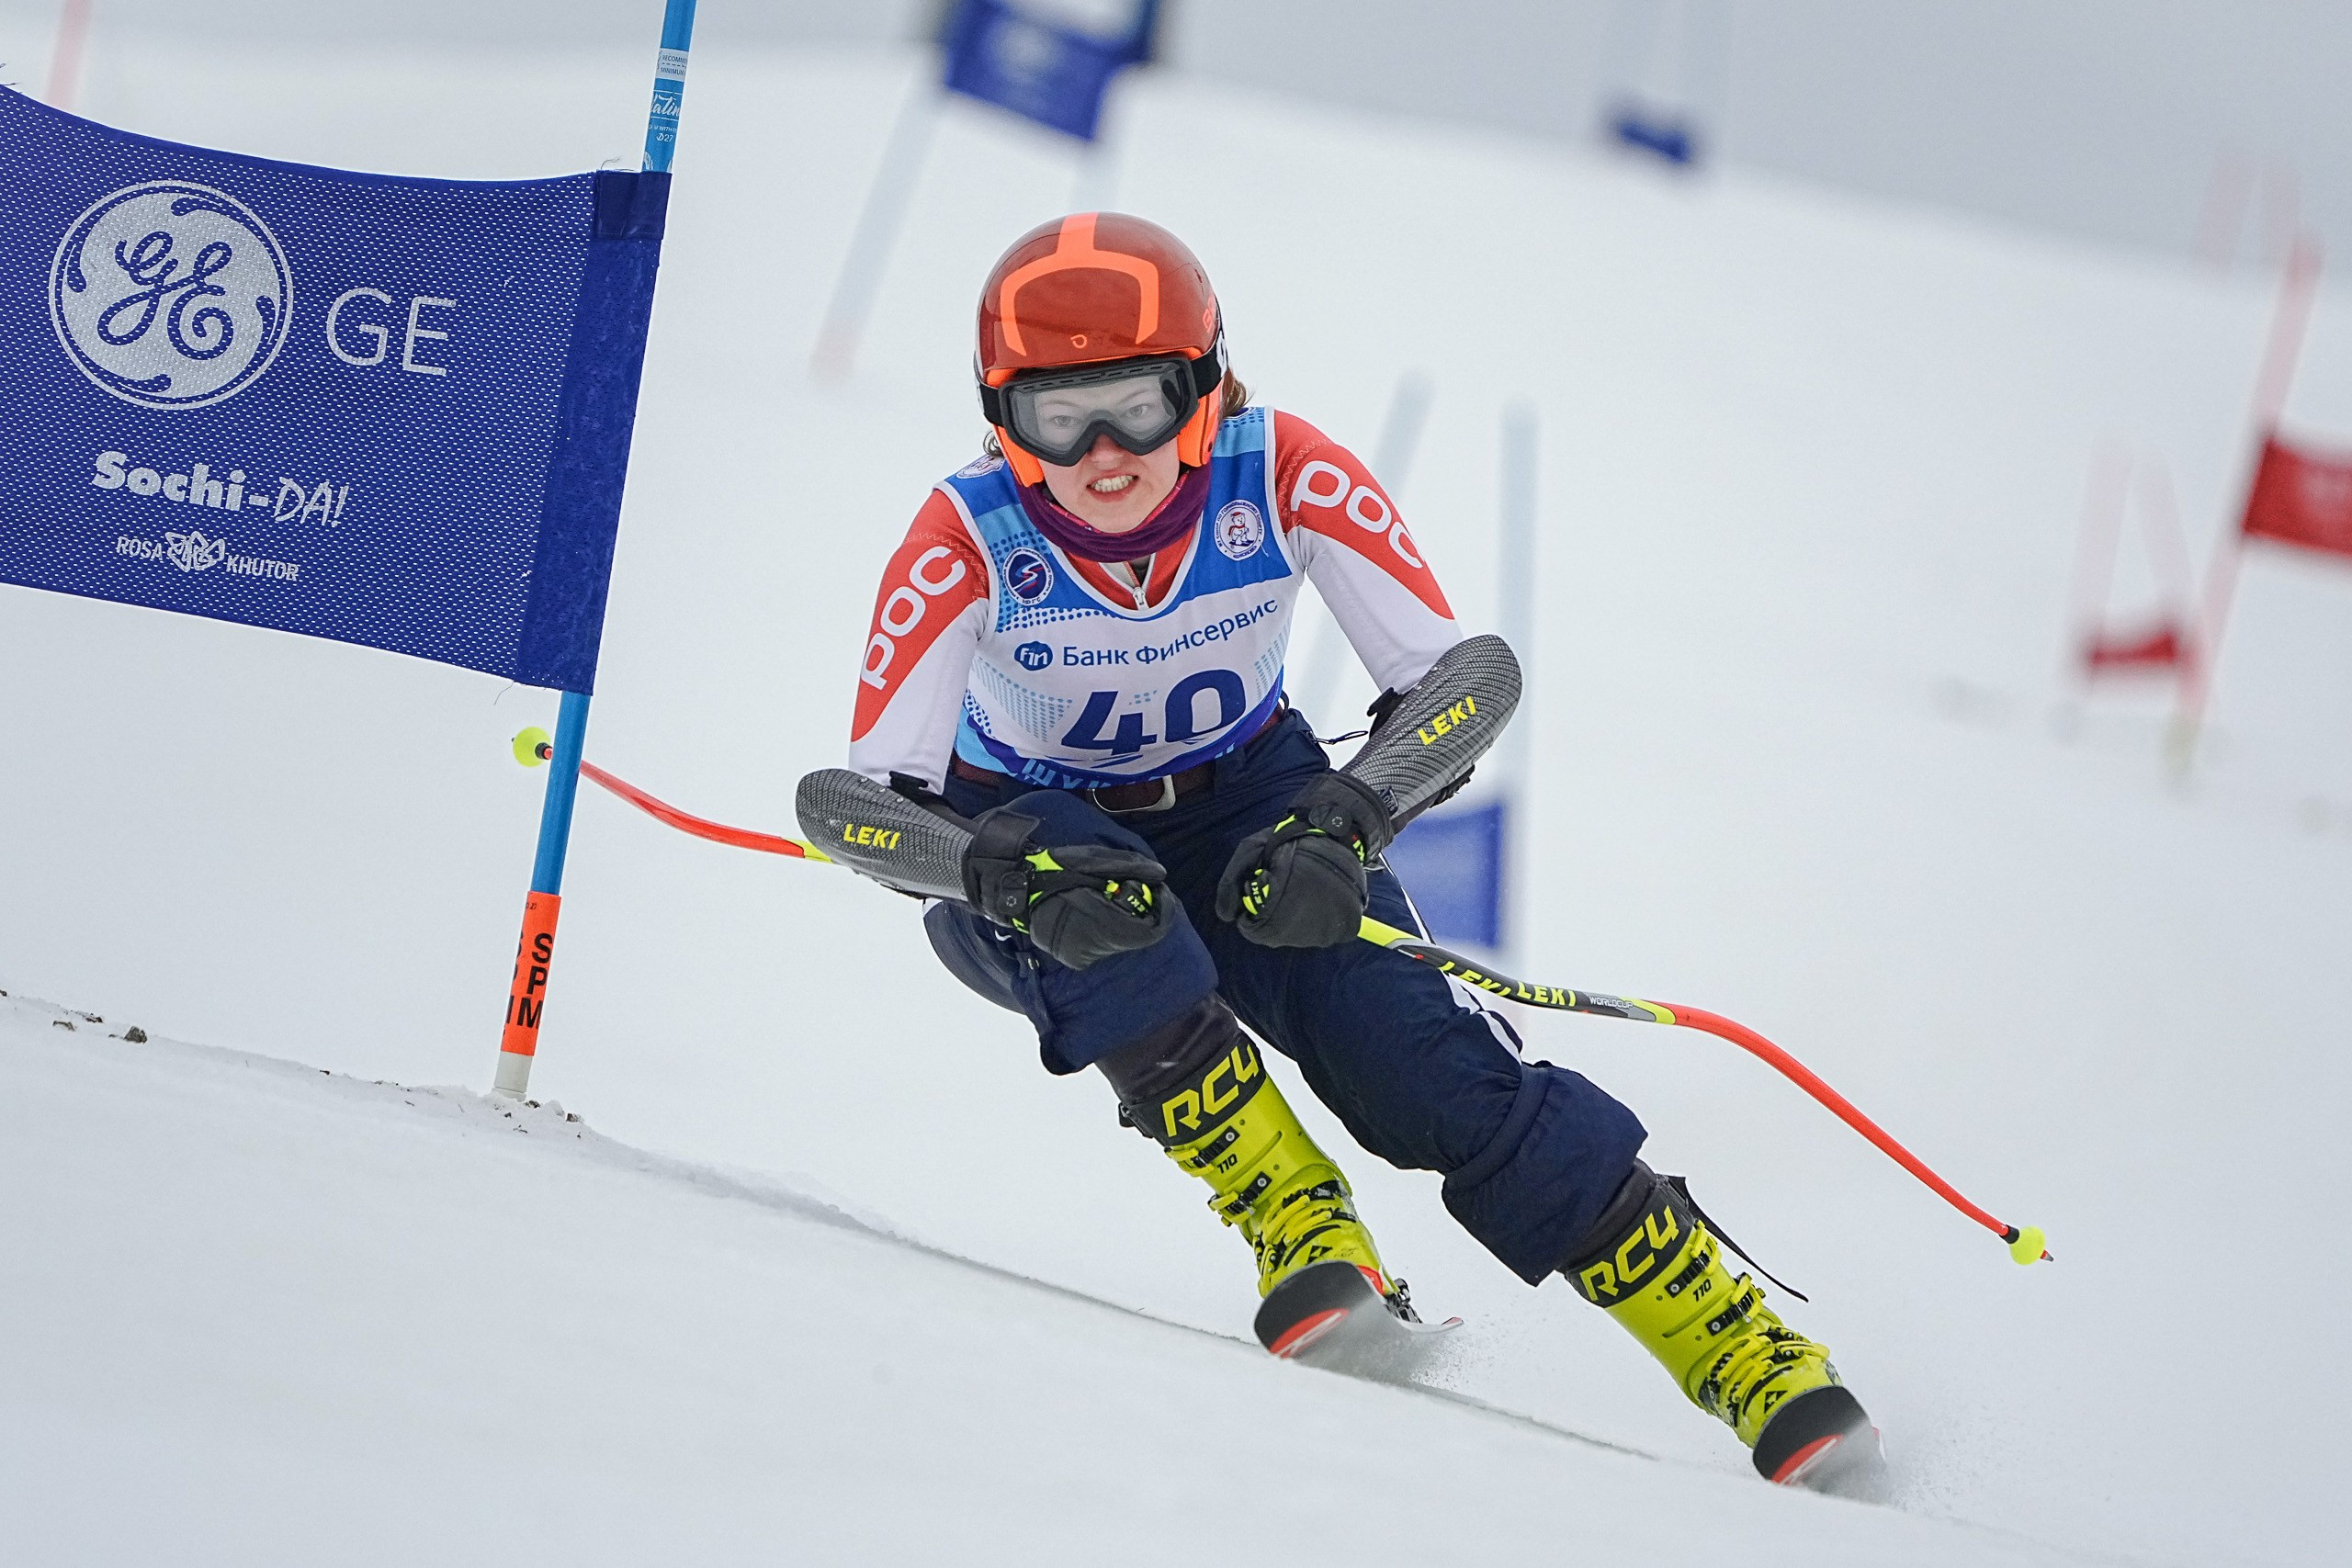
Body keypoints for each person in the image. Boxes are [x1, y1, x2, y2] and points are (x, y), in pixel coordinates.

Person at [838, 211, 1879, 1490]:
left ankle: (1748, 1351)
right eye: (1062, 417)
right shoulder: (968, 533)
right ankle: (1297, 1220)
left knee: (1419, 1072)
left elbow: (1467, 678)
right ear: (1003, 414)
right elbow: (855, 804)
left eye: (1140, 406)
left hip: (1253, 802)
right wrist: (990, 870)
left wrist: (1353, 815)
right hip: (1039, 838)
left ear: (1206, 384)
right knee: (1110, 915)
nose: (1106, 454)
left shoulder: (1279, 471)